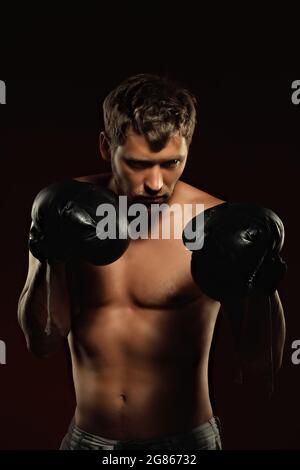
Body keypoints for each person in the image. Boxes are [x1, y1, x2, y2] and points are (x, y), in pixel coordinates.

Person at [17, 74, 286, 450]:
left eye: (172, 162)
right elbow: (42, 342)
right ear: (105, 146)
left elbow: (261, 367)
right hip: (89, 441)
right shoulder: (62, 210)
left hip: (186, 444)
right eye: (139, 164)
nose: (157, 183)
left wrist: (262, 285)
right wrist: (50, 257)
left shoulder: (215, 222)